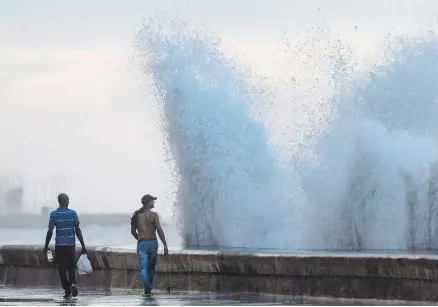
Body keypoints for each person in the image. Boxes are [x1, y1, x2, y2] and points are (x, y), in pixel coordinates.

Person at [43, 193, 87, 299]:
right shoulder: (73, 214)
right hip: (70, 245)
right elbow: (77, 230)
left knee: (62, 269)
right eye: (67, 200)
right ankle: (72, 283)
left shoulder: (54, 214)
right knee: (71, 267)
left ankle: (67, 291)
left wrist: (46, 245)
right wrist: (83, 244)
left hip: (60, 245)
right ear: (63, 201)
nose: (68, 201)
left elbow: (50, 231)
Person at [131, 194, 168, 297]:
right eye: (153, 200)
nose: (154, 202)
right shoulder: (154, 215)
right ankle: (148, 289)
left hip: (142, 244)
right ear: (148, 202)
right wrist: (165, 245)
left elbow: (133, 232)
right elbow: (159, 230)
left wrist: (139, 238)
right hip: (153, 244)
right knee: (151, 268)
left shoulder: (136, 216)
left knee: (144, 268)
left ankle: (147, 289)